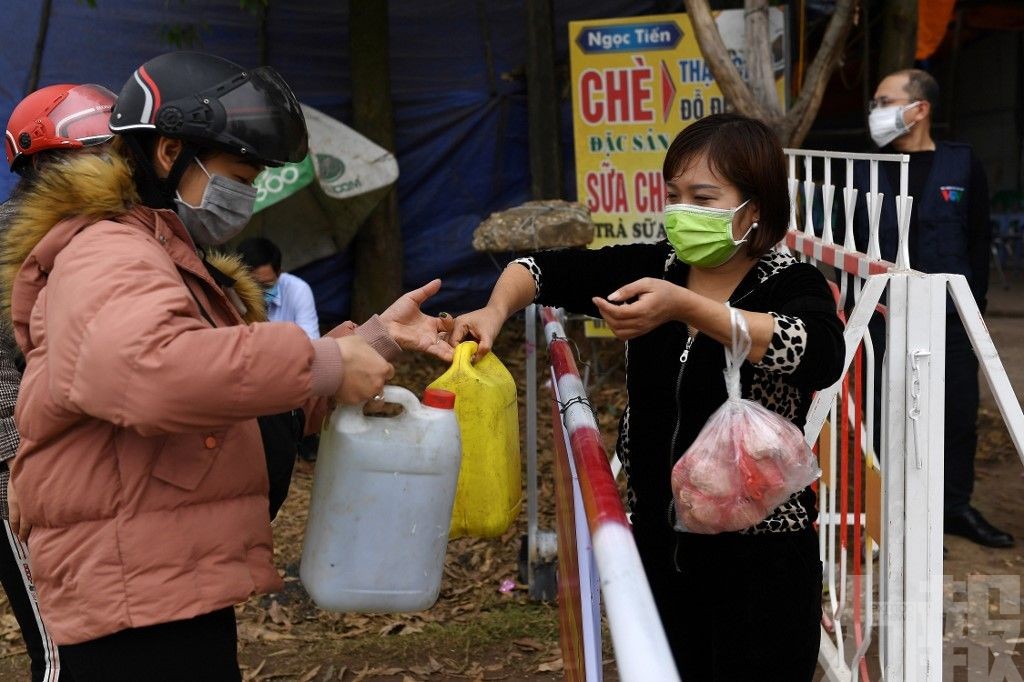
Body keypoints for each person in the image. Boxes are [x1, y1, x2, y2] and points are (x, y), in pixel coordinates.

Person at [0, 52, 451, 682]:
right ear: (169, 153)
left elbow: (232, 389)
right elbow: (149, 373)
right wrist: (321, 363)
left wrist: (376, 341)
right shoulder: (106, 249)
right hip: (131, 597)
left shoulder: (164, 251)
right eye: (240, 173)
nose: (250, 191)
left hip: (169, 577)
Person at [451, 113, 845, 680]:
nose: (681, 210)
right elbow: (537, 270)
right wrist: (493, 311)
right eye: (674, 195)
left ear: (753, 208)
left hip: (762, 558)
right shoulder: (652, 267)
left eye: (702, 196)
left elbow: (817, 354)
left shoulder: (791, 281)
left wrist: (688, 308)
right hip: (660, 544)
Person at [856, 68, 1011, 548]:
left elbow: (978, 237)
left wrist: (974, 310)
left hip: (950, 317)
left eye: (885, 101)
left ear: (918, 108)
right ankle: (895, 513)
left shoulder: (961, 164)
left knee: (958, 414)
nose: (875, 112)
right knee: (885, 413)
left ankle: (954, 507)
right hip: (881, 316)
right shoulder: (861, 169)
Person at [0, 81, 118, 682]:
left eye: (111, 153)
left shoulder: (106, 236)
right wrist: (17, 464)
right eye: (88, 156)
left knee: (102, 634)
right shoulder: (10, 242)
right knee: (58, 646)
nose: (104, 168)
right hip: (21, 472)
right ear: (43, 165)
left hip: (88, 465)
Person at [237, 237, 320, 339]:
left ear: (279, 273)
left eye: (267, 284)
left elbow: (311, 340)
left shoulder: (298, 290)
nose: (260, 291)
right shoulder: (234, 299)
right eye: (253, 285)